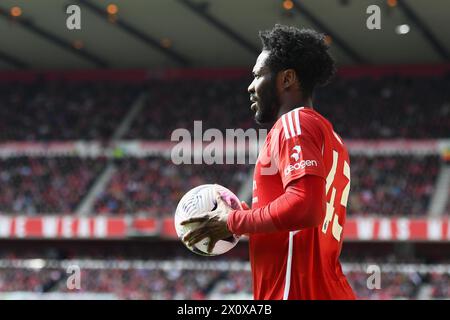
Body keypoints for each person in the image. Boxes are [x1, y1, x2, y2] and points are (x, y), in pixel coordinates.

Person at [182, 24, 355, 300]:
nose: (250, 87)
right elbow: (298, 222)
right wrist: (248, 216)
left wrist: (233, 221)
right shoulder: (331, 136)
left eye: (258, 75)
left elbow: (305, 207)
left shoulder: (295, 122)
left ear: (286, 79)